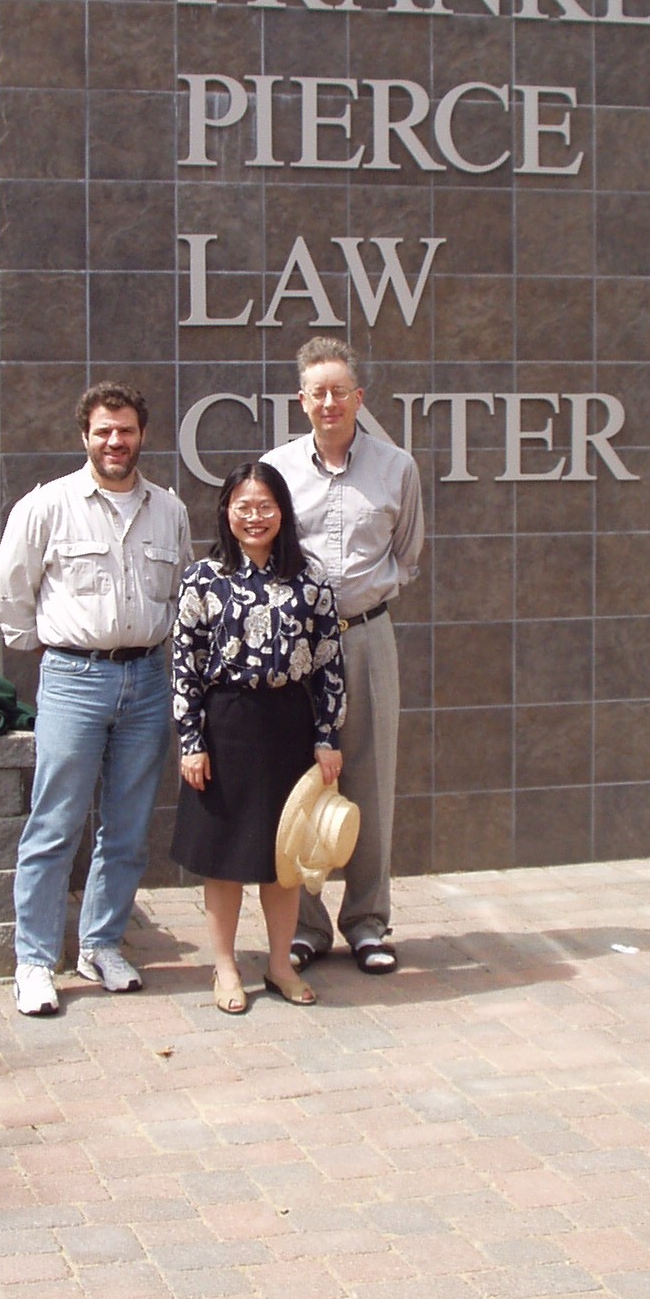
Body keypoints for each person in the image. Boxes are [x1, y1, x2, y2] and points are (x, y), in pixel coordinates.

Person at [0, 380, 192, 1017]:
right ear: (85, 436)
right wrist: (54, 649)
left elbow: (183, 592)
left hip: (147, 682)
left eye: (126, 430)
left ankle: (101, 944)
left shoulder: (170, 510)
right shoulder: (46, 506)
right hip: (75, 679)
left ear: (142, 436)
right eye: (104, 430)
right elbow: (10, 595)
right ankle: (33, 961)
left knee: (128, 828)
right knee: (55, 825)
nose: (115, 441)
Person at [264, 337, 423, 975]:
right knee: (298, 781)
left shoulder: (396, 468)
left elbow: (406, 554)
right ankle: (306, 926)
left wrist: (356, 608)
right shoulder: (276, 468)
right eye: (317, 392)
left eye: (340, 391)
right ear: (302, 401)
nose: (329, 402)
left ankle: (368, 922)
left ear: (359, 397)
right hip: (297, 646)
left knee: (370, 778)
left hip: (366, 637)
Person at [171, 461, 345, 1013]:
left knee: (283, 855)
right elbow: (185, 664)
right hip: (227, 725)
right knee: (226, 857)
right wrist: (190, 741)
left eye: (265, 506)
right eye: (243, 507)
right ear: (226, 512)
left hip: (290, 725)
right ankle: (224, 966)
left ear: (283, 513)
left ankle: (277, 964)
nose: (254, 517)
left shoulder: (309, 577)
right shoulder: (204, 578)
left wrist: (327, 735)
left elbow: (327, 663)